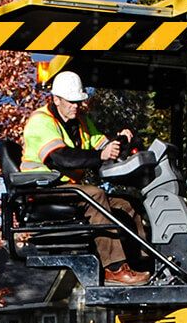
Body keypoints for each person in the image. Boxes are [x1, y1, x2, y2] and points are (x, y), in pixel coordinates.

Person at [21, 70, 150, 286]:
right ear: (56, 99)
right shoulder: (40, 121)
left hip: (70, 190)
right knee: (95, 195)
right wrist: (100, 155)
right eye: (71, 101)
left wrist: (120, 141)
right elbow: (61, 157)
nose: (76, 106)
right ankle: (114, 269)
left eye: (79, 101)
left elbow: (102, 146)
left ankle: (142, 262)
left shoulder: (81, 122)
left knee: (127, 204)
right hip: (42, 190)